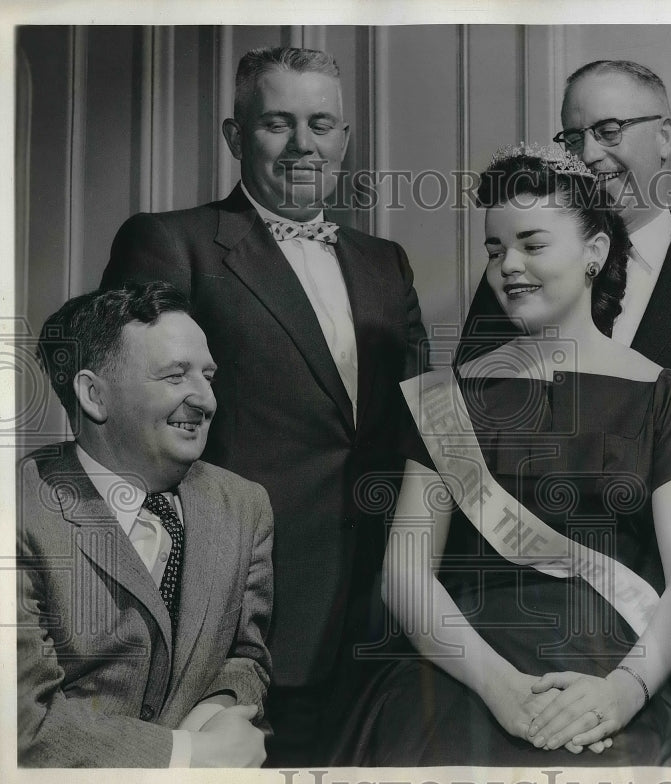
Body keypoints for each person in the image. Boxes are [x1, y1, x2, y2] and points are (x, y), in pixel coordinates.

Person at [101, 46, 426, 764]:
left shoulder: (386, 262)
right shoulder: (169, 241)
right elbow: (131, 428)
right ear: (234, 135)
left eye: (321, 123)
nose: (304, 143)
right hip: (237, 609)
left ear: (345, 138)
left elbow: (420, 427)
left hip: (383, 606)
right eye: (278, 123)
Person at [346, 145, 671, 766]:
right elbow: (405, 574)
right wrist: (501, 689)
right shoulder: (449, 399)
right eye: (495, 249)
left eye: (532, 244)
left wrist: (624, 693)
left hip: (613, 672)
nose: (507, 266)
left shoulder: (661, 393)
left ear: (595, 253)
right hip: (465, 670)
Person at [459, 60, 671, 534]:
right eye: (573, 138)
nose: (589, 155)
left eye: (610, 130)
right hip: (514, 567)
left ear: (664, 137)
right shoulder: (516, 274)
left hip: (662, 576)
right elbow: (462, 430)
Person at [17, 282, 273, 767]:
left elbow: (246, 657)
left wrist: (216, 712)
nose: (206, 401)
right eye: (176, 377)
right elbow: (23, 728)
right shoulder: (17, 512)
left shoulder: (244, 506)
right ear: (94, 395)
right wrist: (189, 756)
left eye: (209, 376)